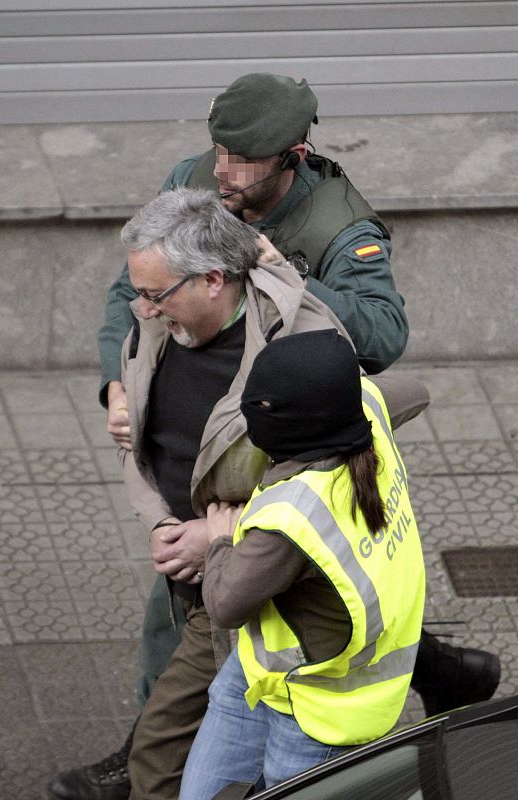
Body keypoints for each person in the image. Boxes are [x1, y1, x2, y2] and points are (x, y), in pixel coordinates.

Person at [48, 74, 499, 800]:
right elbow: (129, 291)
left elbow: (383, 337)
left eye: (244, 158)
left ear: (293, 154)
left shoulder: (337, 226)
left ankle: (146, 763)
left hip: (282, 442)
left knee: (225, 607)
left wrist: (276, 273)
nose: (222, 169)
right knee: (280, 606)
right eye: (219, 149)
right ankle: (444, 671)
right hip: (210, 437)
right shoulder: (196, 183)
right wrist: (115, 382)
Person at [179, 329, 425, 800]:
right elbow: (418, 393)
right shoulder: (362, 408)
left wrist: (219, 540)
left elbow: (225, 605)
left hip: (321, 714)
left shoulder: (290, 520)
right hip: (266, 671)